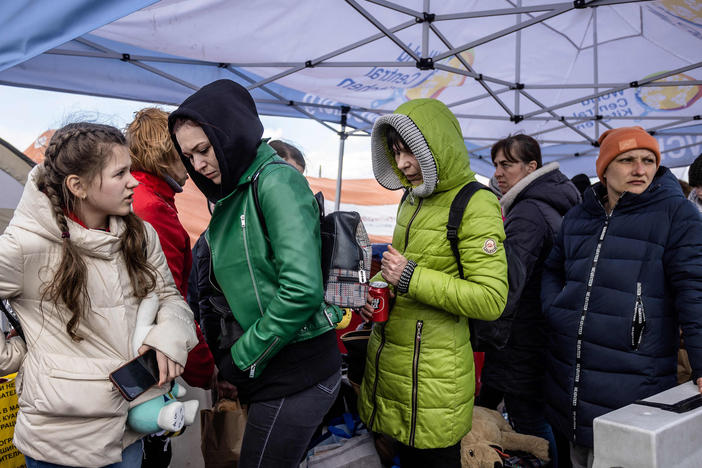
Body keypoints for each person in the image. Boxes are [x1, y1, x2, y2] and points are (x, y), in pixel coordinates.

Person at [0, 122, 197, 467]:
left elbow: (168, 295)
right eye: (120, 173)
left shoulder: (141, 233)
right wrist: (16, 354)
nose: (133, 181)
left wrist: (170, 334)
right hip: (57, 444)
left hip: (126, 435)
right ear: (78, 185)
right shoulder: (24, 246)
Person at [168, 79, 342, 468]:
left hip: (298, 370)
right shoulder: (232, 195)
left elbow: (300, 290)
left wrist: (242, 357)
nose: (197, 165)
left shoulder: (276, 181)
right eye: (188, 156)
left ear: (229, 134)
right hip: (271, 368)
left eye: (203, 149)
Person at [357, 98, 509, 468]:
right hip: (397, 368)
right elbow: (399, 265)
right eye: (395, 152)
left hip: (435, 380)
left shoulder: (476, 203)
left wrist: (410, 278)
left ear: (437, 146)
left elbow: (491, 298)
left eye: (410, 150)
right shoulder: (411, 199)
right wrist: (376, 288)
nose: (404, 162)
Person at [541, 126, 702, 468]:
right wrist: (556, 309)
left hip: (635, 385)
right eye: (627, 160)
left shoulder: (677, 215)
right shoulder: (579, 216)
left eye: (648, 160)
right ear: (604, 168)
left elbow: (696, 291)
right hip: (571, 386)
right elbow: (552, 269)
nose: (640, 169)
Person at [479, 134, 580, 467]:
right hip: (543, 333)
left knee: (530, 422)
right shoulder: (553, 205)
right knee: (539, 416)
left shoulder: (528, 213)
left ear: (531, 166)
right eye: (495, 165)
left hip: (521, 338)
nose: (498, 173)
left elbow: (507, 285)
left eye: (506, 164)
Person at [125, 107, 215, 467]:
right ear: (167, 152)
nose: (194, 165)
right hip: (149, 369)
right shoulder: (151, 206)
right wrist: (205, 368)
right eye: (186, 153)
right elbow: (168, 301)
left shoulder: (147, 197)